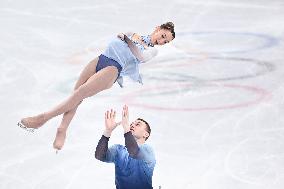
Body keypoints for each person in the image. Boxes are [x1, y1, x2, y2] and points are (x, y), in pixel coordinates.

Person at [18, 22, 175, 151]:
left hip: (112, 69)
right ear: (158, 28)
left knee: (79, 94)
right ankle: (62, 129)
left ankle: (42, 118)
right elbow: (118, 39)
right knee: (76, 96)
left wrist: (126, 39)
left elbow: (140, 56)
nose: (161, 42)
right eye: (163, 36)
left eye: (165, 42)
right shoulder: (133, 33)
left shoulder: (151, 51)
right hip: (100, 59)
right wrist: (126, 37)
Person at [95, 105, 155, 189]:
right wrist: (107, 131)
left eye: (138, 124)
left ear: (146, 134)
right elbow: (99, 156)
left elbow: (134, 152)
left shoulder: (148, 150)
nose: (132, 125)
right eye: (131, 124)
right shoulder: (118, 150)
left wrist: (127, 127)